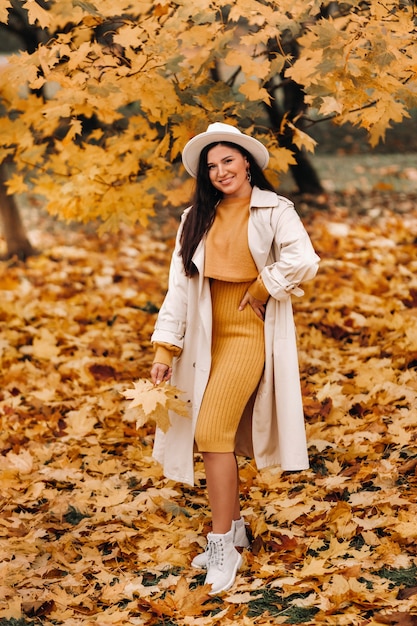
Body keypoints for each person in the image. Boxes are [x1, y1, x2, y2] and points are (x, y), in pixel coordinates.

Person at [150, 122, 320, 595]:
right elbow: (179, 289)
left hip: (248, 335)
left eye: (228, 160)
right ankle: (236, 529)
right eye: (212, 166)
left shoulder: (274, 208)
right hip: (206, 340)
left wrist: (264, 284)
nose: (221, 171)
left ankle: (222, 544)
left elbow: (304, 258)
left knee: (210, 432)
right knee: (213, 436)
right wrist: (166, 347)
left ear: (247, 161)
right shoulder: (194, 218)